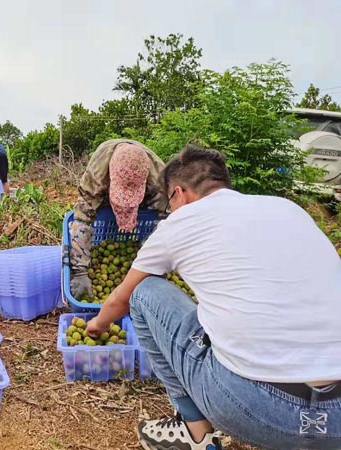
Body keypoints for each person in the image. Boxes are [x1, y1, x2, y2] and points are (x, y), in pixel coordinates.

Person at [86, 144, 341, 450]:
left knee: (143, 292)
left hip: (259, 410)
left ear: (179, 193)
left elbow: (121, 300)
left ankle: (194, 432)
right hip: (337, 421)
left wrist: (97, 326)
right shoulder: (289, 210)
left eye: (170, 202)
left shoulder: (179, 224)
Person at [69, 139, 165, 300]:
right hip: (104, 189)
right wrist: (80, 272)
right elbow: (82, 219)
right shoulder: (96, 176)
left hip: (147, 198)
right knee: (91, 215)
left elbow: (167, 221)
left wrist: (151, 258)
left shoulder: (159, 179)